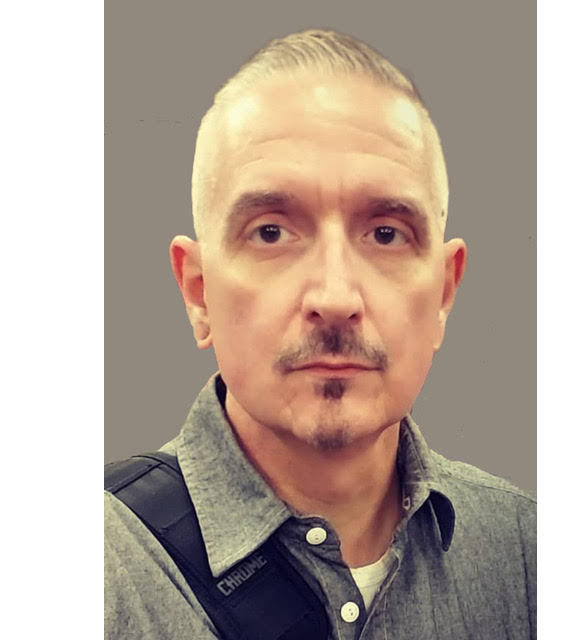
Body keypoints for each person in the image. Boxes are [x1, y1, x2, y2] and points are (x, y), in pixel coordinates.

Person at [104, 29, 536, 639]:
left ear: (444, 292)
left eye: (386, 234)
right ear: (198, 293)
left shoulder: (530, 555)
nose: (335, 298)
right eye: (271, 232)